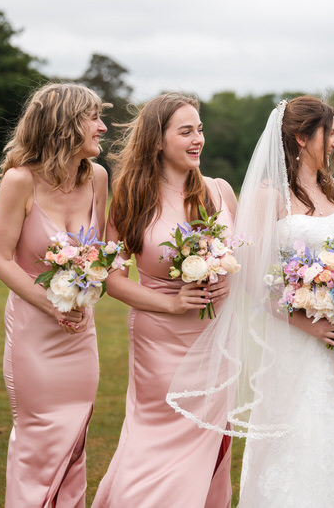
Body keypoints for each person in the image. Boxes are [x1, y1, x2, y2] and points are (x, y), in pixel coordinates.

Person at [168, 97, 334, 507]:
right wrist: (307, 321)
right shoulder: (269, 197)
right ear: (302, 137)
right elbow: (250, 277)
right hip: (297, 341)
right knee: (308, 434)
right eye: (331, 133)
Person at [92, 93, 235, 508]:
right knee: (157, 443)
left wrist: (228, 280)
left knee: (209, 443)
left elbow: (242, 254)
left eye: (200, 129)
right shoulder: (133, 197)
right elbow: (112, 278)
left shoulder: (220, 192)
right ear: (157, 140)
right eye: (186, 131)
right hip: (160, 341)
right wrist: (171, 304)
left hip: (213, 340)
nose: (198, 140)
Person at [0, 82, 110, 507]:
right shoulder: (20, 180)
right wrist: (50, 304)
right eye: (93, 117)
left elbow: (105, 251)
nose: (102, 126)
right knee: (38, 440)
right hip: (34, 334)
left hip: (81, 334)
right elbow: (0, 259)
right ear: (65, 124)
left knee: (75, 440)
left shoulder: (97, 178)